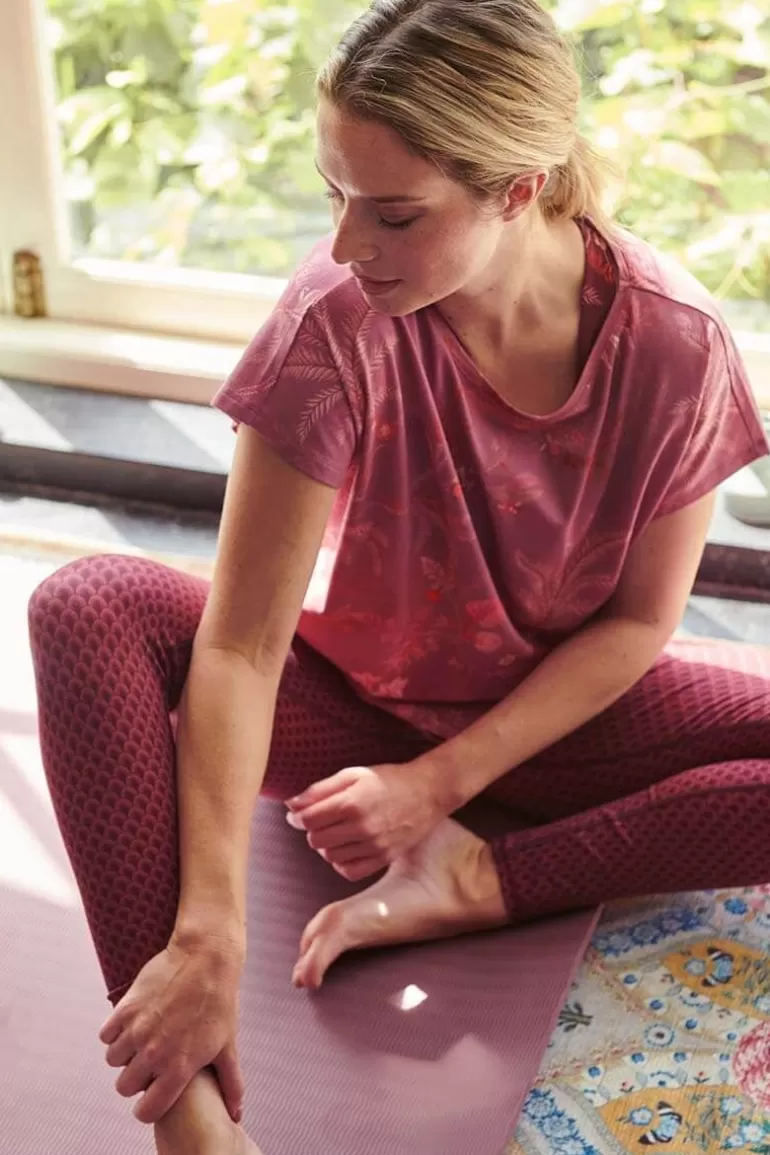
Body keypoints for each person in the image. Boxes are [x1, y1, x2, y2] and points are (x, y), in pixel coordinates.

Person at [28, 0, 770, 1152]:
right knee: (85, 604)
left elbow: (636, 626)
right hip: (349, 716)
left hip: (555, 718)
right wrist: (211, 928)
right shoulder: (333, 324)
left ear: (516, 189)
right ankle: (189, 1112)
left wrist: (435, 790)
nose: (344, 246)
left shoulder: (676, 343)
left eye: (391, 213)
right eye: (333, 194)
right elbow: (240, 647)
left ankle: (478, 880)